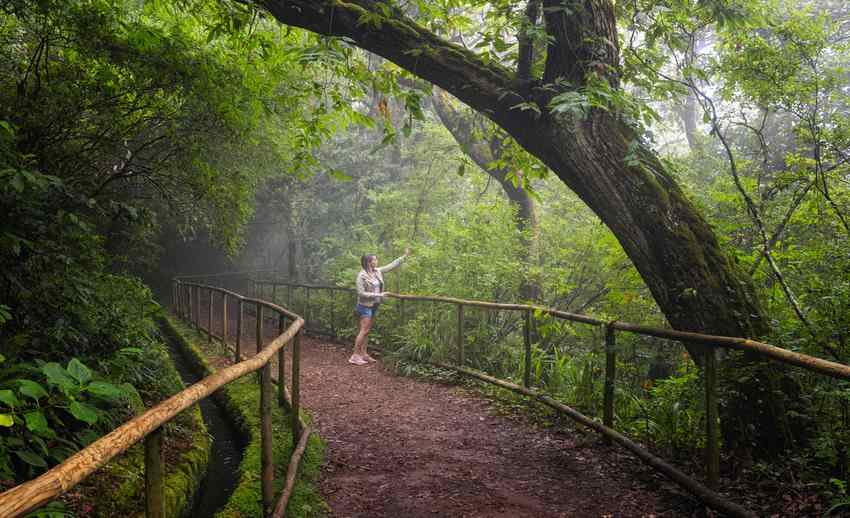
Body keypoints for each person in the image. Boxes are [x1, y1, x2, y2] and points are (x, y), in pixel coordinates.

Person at [350, 247, 411, 365]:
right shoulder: (361, 276)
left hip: (374, 305)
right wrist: (379, 294)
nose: (377, 262)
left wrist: (404, 257)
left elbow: (391, 266)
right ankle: (355, 355)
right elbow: (361, 293)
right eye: (375, 260)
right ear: (368, 262)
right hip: (364, 306)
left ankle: (363, 353)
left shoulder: (377, 271)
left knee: (367, 331)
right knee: (363, 330)